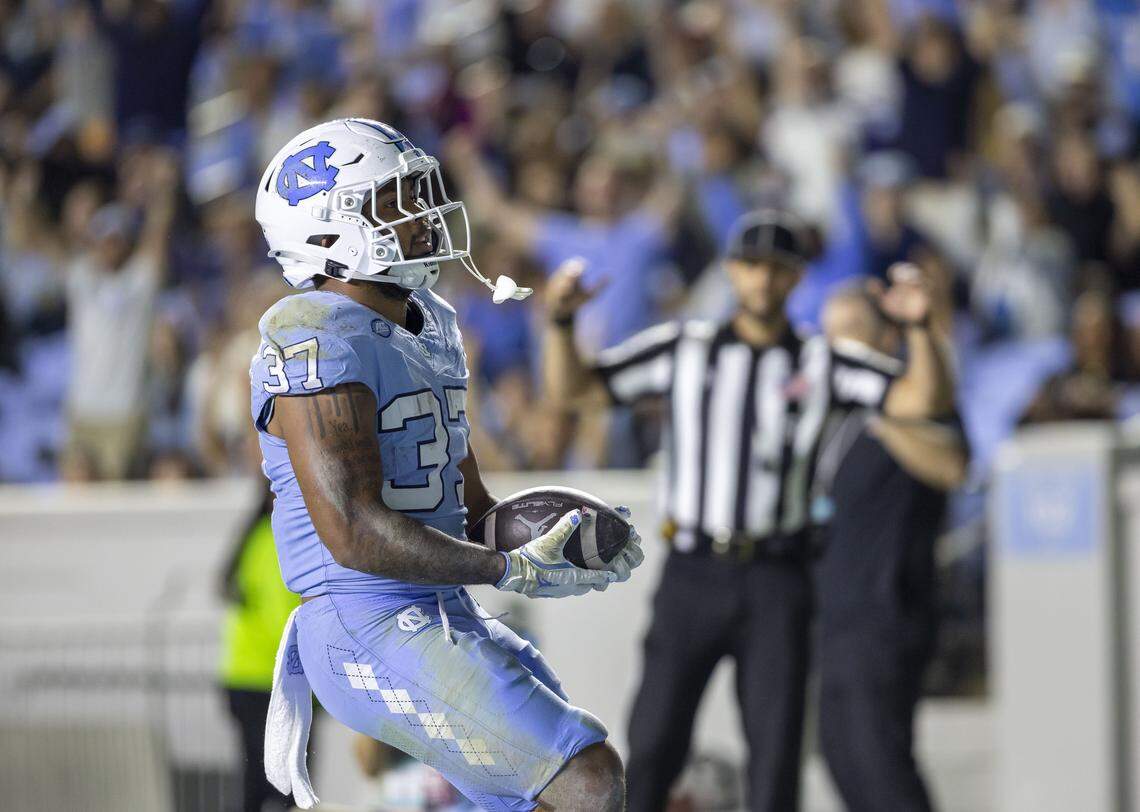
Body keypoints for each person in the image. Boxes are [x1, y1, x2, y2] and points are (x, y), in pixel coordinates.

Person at [249, 118, 644, 811]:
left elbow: (471, 507)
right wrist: (502, 568)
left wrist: (555, 541)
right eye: (394, 201)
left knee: (535, 794)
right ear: (330, 231)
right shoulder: (310, 330)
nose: (422, 213)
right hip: (364, 618)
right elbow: (353, 530)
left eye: (417, 193)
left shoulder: (429, 319)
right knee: (586, 780)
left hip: (442, 605)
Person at [543, 210, 956, 811]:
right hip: (693, 570)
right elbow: (575, 391)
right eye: (752, 265)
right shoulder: (684, 347)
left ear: (796, 277)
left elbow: (921, 400)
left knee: (776, 757)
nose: (763, 279)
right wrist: (560, 324)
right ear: (732, 270)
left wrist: (919, 329)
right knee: (654, 741)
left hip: (777, 576)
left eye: (777, 268)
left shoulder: (822, 361)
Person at [813, 284, 968, 812]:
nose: (838, 349)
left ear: (887, 336)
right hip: (836, 613)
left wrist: (883, 415)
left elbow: (953, 465)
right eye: (830, 336)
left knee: (881, 763)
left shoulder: (915, 393)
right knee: (841, 755)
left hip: (886, 610)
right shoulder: (834, 412)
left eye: (852, 333)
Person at [218, 488, 303, 812]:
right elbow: (282, 619)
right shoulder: (278, 541)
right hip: (270, 682)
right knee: (291, 786)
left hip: (244, 677)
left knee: (256, 781)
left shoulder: (256, 538)